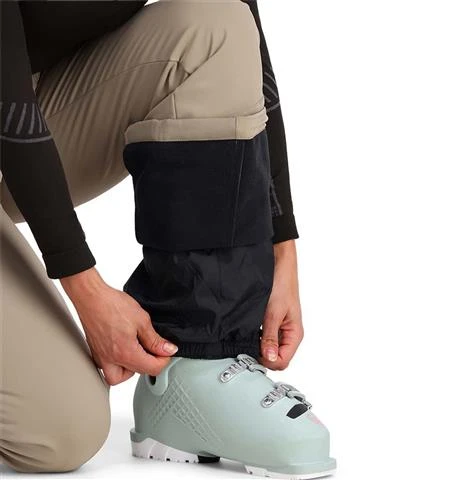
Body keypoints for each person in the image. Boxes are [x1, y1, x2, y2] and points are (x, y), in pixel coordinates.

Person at [0, 0, 335, 477]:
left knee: (216, 28)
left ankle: (194, 370)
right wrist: (86, 288)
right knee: (63, 430)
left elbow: (251, 57)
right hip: (9, 105)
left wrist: (282, 249)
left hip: (30, 106)